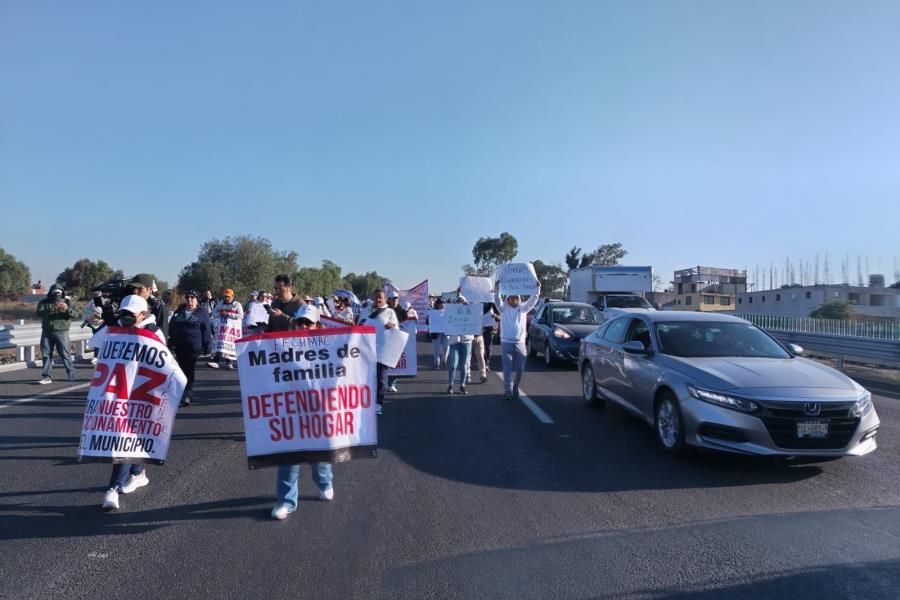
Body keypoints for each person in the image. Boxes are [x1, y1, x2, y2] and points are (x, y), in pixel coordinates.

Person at [100, 294, 166, 510]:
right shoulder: (117, 330)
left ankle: (113, 488)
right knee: (124, 437)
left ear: (143, 314)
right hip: (119, 392)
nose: (126, 318)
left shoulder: (154, 333)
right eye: (124, 314)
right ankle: (137, 472)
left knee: (124, 439)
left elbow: (163, 363)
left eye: (131, 315)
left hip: (142, 395)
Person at [271, 304, 334, 520]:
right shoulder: (282, 347)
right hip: (292, 409)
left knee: (319, 456)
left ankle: (325, 481)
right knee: (289, 456)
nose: (305, 326)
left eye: (309, 322)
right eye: (301, 322)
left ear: (318, 325)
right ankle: (286, 501)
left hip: (318, 409)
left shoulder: (331, 347)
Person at [494, 282, 541, 399]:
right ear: (508, 299)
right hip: (506, 342)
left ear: (519, 299)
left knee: (520, 368)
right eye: (511, 298)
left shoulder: (523, 308)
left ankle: (515, 386)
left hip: (520, 343)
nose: (514, 301)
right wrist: (497, 289)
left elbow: (534, 299)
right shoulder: (502, 308)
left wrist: (537, 288)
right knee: (507, 368)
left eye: (516, 298)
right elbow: (496, 299)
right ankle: (507, 391)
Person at [168, 290, 212, 407]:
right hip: (180, 345)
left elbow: (206, 330)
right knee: (181, 369)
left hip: (194, 346)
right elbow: (172, 326)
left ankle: (187, 393)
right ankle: (183, 391)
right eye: (187, 297)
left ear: (196, 300)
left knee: (189, 369)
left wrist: (208, 346)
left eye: (192, 297)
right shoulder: (180, 311)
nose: (190, 300)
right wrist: (171, 341)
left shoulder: (201, 313)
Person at [361, 289, 398, 415]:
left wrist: (392, 326)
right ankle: (367, 402)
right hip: (366, 350)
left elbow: (397, 329)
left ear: (385, 299)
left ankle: (379, 403)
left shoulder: (390, 312)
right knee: (367, 377)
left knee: (381, 378)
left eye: (380, 297)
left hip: (382, 350)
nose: (378, 300)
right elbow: (358, 325)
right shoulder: (366, 310)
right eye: (376, 297)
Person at [35, 284, 79, 384]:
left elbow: (76, 314)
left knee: (65, 354)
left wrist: (67, 308)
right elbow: (38, 313)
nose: (56, 295)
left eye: (59, 293)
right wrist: (50, 309)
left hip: (62, 332)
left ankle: (71, 375)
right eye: (54, 293)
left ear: (62, 293)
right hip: (47, 331)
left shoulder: (68, 301)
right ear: (50, 292)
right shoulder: (44, 302)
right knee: (46, 354)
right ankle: (47, 377)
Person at [207, 288, 243, 369]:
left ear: (233, 296)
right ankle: (216, 362)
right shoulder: (220, 303)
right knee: (221, 344)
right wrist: (221, 313)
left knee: (230, 345)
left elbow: (241, 316)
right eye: (225, 296)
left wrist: (229, 314)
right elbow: (214, 313)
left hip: (232, 330)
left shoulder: (237, 305)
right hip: (222, 329)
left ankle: (229, 362)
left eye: (228, 297)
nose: (226, 298)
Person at [446, 295, 474, 395]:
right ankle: (450, 384)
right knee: (453, 364)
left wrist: (469, 306)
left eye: (462, 301)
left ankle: (462, 385)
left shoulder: (469, 310)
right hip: (454, 342)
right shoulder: (452, 311)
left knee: (464, 364)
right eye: (458, 301)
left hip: (466, 341)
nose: (460, 303)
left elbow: (476, 312)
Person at [428, 297, 448, 369]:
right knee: (436, 349)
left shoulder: (447, 311)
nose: (442, 305)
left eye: (443, 303)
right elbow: (427, 322)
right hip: (436, 333)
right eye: (441, 303)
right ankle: (436, 362)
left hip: (445, 333)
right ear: (438, 304)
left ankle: (444, 359)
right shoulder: (433, 312)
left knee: (446, 347)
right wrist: (429, 319)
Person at [481, 302, 500, 374]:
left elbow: (500, 317)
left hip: (489, 329)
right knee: (479, 348)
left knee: (488, 347)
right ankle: (480, 362)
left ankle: (486, 364)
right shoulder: (477, 304)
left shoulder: (493, 305)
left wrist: (495, 316)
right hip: (479, 329)